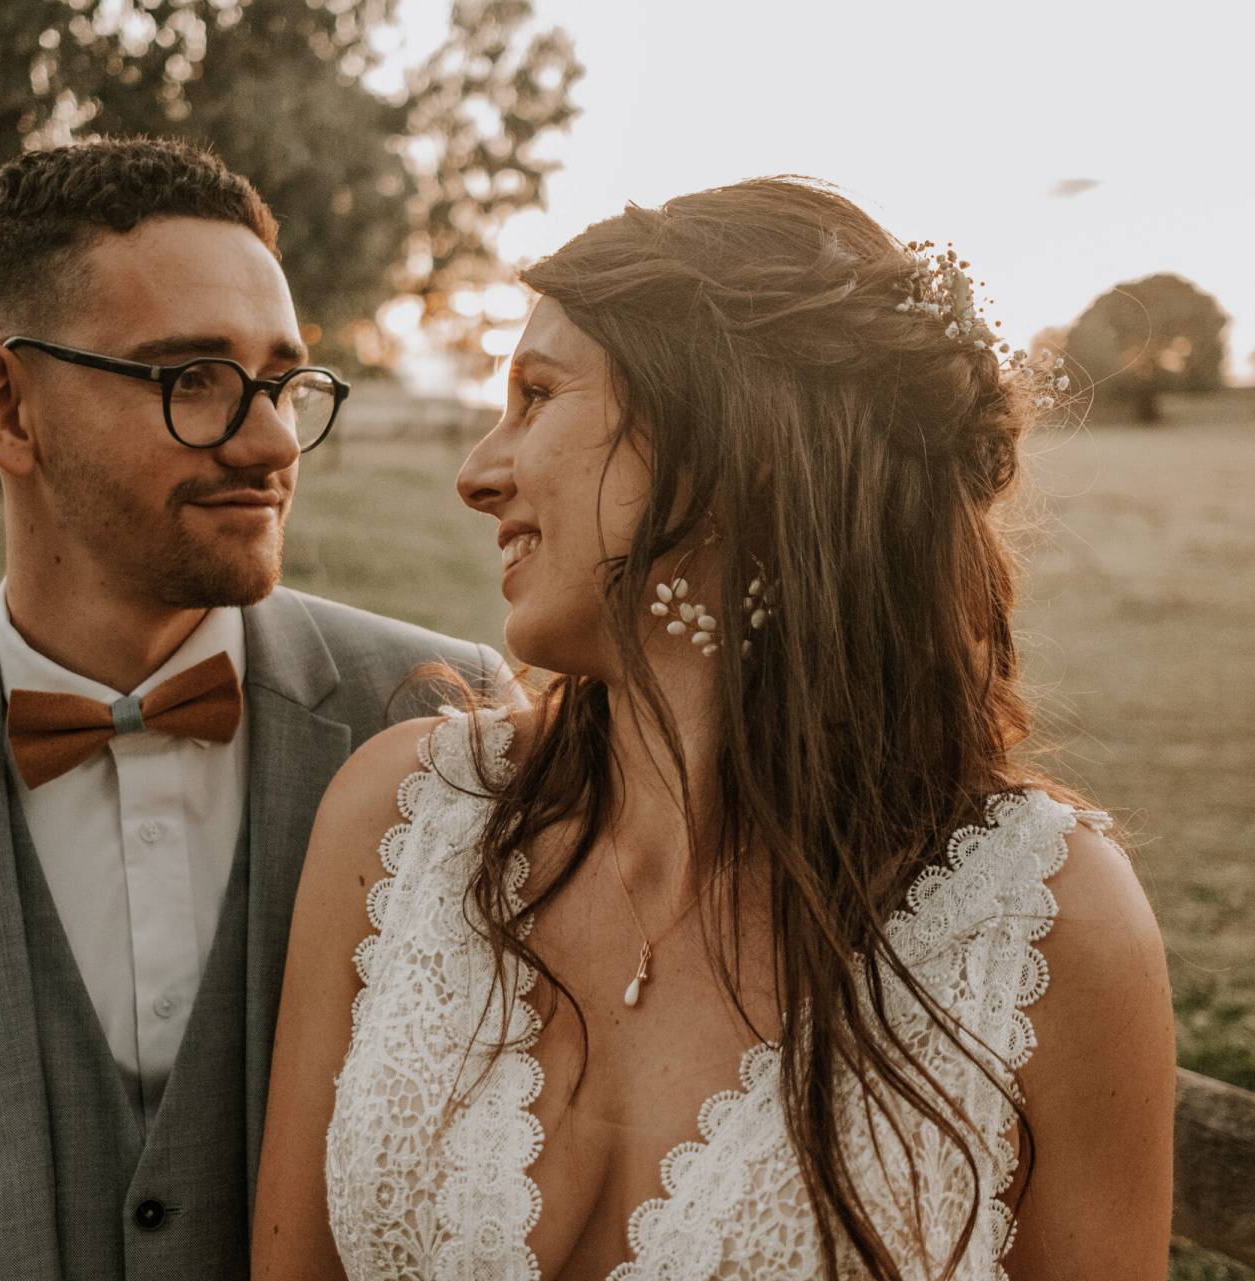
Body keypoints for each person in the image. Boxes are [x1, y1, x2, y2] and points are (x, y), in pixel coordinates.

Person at [253, 179, 1176, 1280]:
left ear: (737, 446)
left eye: (537, 395)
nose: (477, 472)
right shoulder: (407, 821)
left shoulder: (1046, 925)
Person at [0, 137, 502, 1280]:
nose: (273, 440)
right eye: (192, 380)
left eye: (282, 381)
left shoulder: (446, 727)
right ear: (4, 406)